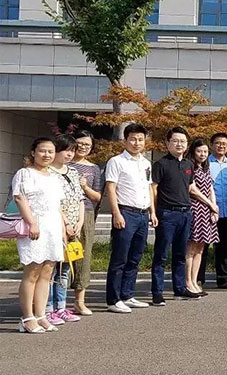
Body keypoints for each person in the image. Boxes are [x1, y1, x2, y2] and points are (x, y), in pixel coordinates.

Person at [12, 137, 66, 333]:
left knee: (47, 273)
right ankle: (27, 318)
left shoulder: (54, 177)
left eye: (51, 151)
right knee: (32, 272)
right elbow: (20, 198)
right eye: (42, 151)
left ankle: (41, 315)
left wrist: (63, 231)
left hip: (53, 228)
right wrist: (32, 223)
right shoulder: (25, 173)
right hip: (34, 228)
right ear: (33, 152)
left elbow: (57, 207)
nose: (47, 155)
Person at [104, 123, 156, 314]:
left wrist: (152, 211)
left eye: (140, 139)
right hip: (125, 212)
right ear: (125, 140)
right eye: (133, 139)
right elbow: (110, 188)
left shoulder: (146, 163)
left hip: (143, 214)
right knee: (120, 257)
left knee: (135, 257)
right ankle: (113, 299)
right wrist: (116, 213)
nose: (137, 143)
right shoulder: (116, 161)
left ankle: (127, 294)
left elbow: (148, 188)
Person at [150, 127, 202, 306]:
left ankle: (180, 289)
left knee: (180, 254)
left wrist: (210, 204)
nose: (179, 144)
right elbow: (154, 189)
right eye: (176, 141)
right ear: (167, 143)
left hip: (185, 213)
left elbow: (190, 187)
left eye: (183, 141)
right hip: (167, 213)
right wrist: (153, 211)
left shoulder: (189, 165)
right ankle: (157, 293)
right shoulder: (161, 164)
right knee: (161, 254)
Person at [46, 135, 84, 325]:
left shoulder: (73, 172)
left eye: (72, 150)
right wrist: (66, 223)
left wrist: (79, 222)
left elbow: (80, 198)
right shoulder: (48, 172)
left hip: (73, 228)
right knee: (51, 269)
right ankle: (47, 309)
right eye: (66, 150)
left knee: (65, 269)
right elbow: (54, 203)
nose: (69, 154)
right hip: (56, 226)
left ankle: (61, 307)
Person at [69, 130, 103, 316]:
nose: (83, 147)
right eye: (80, 143)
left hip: (87, 214)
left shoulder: (94, 169)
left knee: (83, 256)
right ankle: (54, 302)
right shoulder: (62, 164)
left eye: (87, 145)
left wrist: (84, 186)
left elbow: (97, 197)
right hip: (63, 213)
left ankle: (79, 302)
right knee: (59, 258)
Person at [198, 133, 227, 290]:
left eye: (224, 144)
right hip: (207, 211)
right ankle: (198, 279)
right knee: (203, 246)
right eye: (218, 143)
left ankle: (223, 278)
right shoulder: (205, 163)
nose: (221, 146)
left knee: (223, 247)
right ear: (211, 145)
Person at [186, 139, 219, 296]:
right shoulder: (189, 166)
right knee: (191, 248)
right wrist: (210, 204)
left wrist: (214, 207)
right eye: (199, 151)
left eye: (205, 151)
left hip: (206, 210)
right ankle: (187, 282)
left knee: (200, 248)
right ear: (193, 151)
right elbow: (192, 190)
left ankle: (195, 281)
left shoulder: (206, 168)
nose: (202, 154)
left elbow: (211, 188)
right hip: (195, 209)